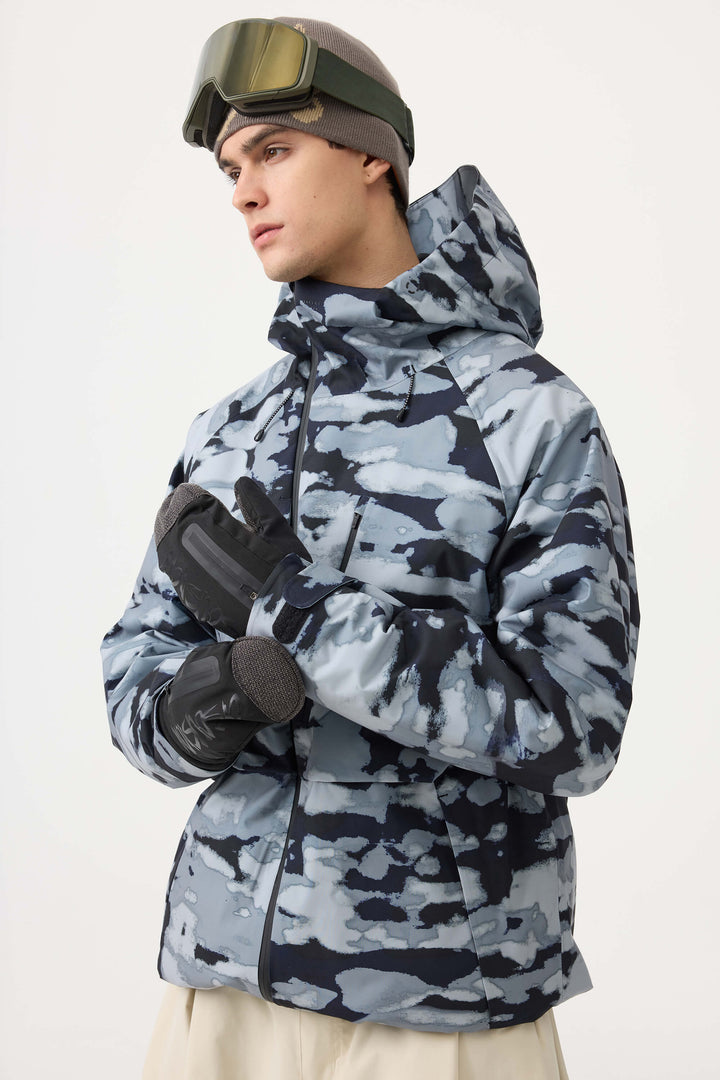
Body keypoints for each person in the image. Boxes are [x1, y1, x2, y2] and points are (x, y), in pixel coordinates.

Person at [101, 16, 640, 1079]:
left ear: (370, 158)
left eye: (273, 150)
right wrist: (211, 699)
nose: (244, 192)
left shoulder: (529, 416)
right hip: (222, 992)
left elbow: (577, 724)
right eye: (230, 169)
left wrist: (302, 615)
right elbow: (132, 673)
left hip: (444, 1009)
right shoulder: (232, 428)